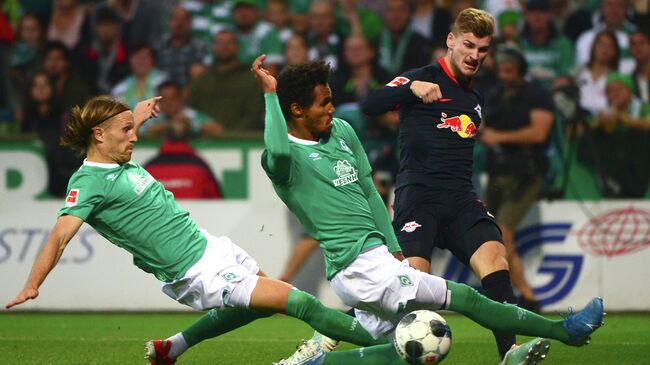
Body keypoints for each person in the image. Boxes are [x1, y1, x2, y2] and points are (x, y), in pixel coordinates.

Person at [252, 54, 604, 365]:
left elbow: (372, 195)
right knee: (463, 297)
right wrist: (270, 94)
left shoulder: (342, 131)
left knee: (400, 350)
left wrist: (394, 250)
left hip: (378, 258)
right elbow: (279, 151)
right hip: (354, 266)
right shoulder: (283, 159)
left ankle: (316, 362)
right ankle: (564, 330)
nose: (333, 108)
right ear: (296, 110)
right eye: (324, 103)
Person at [5, 95, 392, 365]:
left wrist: (136, 114)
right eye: (127, 130)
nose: (135, 135)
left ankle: (171, 348)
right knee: (300, 302)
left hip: (208, 246)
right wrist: (33, 283)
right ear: (99, 135)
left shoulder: (115, 152)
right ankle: (393, 343)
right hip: (194, 272)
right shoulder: (88, 182)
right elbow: (59, 235)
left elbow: (119, 130)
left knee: (259, 308)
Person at [360, 7, 522, 361]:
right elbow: (370, 104)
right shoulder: (420, 77)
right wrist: (411, 89)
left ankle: (511, 353)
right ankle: (328, 339)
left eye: (482, 49)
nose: (475, 55)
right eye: (468, 45)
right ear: (450, 40)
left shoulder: (475, 98)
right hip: (418, 197)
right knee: (409, 289)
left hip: (461, 199)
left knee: (495, 260)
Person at [481, 47, 555, 313]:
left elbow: (539, 133)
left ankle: (527, 294)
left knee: (503, 232)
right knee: (493, 234)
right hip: (497, 172)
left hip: (526, 172)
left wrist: (497, 137)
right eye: (501, 70)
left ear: (521, 70)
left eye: (510, 70)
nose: (504, 75)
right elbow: (482, 126)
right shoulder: (494, 95)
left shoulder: (538, 95)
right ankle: (518, 294)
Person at [144, 112, 223, 199]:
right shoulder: (201, 168)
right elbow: (218, 204)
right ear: (189, 138)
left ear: (164, 138)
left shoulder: (148, 170)